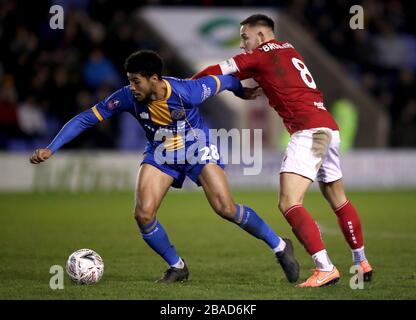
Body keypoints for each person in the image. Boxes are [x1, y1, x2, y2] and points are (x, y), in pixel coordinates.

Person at [30, 50, 299, 284]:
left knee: (225, 208)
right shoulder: (126, 96)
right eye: (129, 81)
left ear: (154, 79)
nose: (132, 87)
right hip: (160, 152)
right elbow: (87, 118)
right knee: (143, 214)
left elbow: (227, 80)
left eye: (136, 81)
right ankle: (177, 266)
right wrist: (51, 148)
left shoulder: (187, 91)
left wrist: (242, 92)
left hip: (197, 148)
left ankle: (279, 245)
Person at [192, 14, 373, 288]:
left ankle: (324, 268)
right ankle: (361, 261)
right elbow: (246, 74)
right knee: (337, 198)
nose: (242, 44)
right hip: (328, 128)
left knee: (289, 203)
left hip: (308, 131)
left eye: (244, 37)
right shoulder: (288, 49)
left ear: (262, 36)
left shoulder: (260, 55)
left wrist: (180, 86)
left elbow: (215, 71)